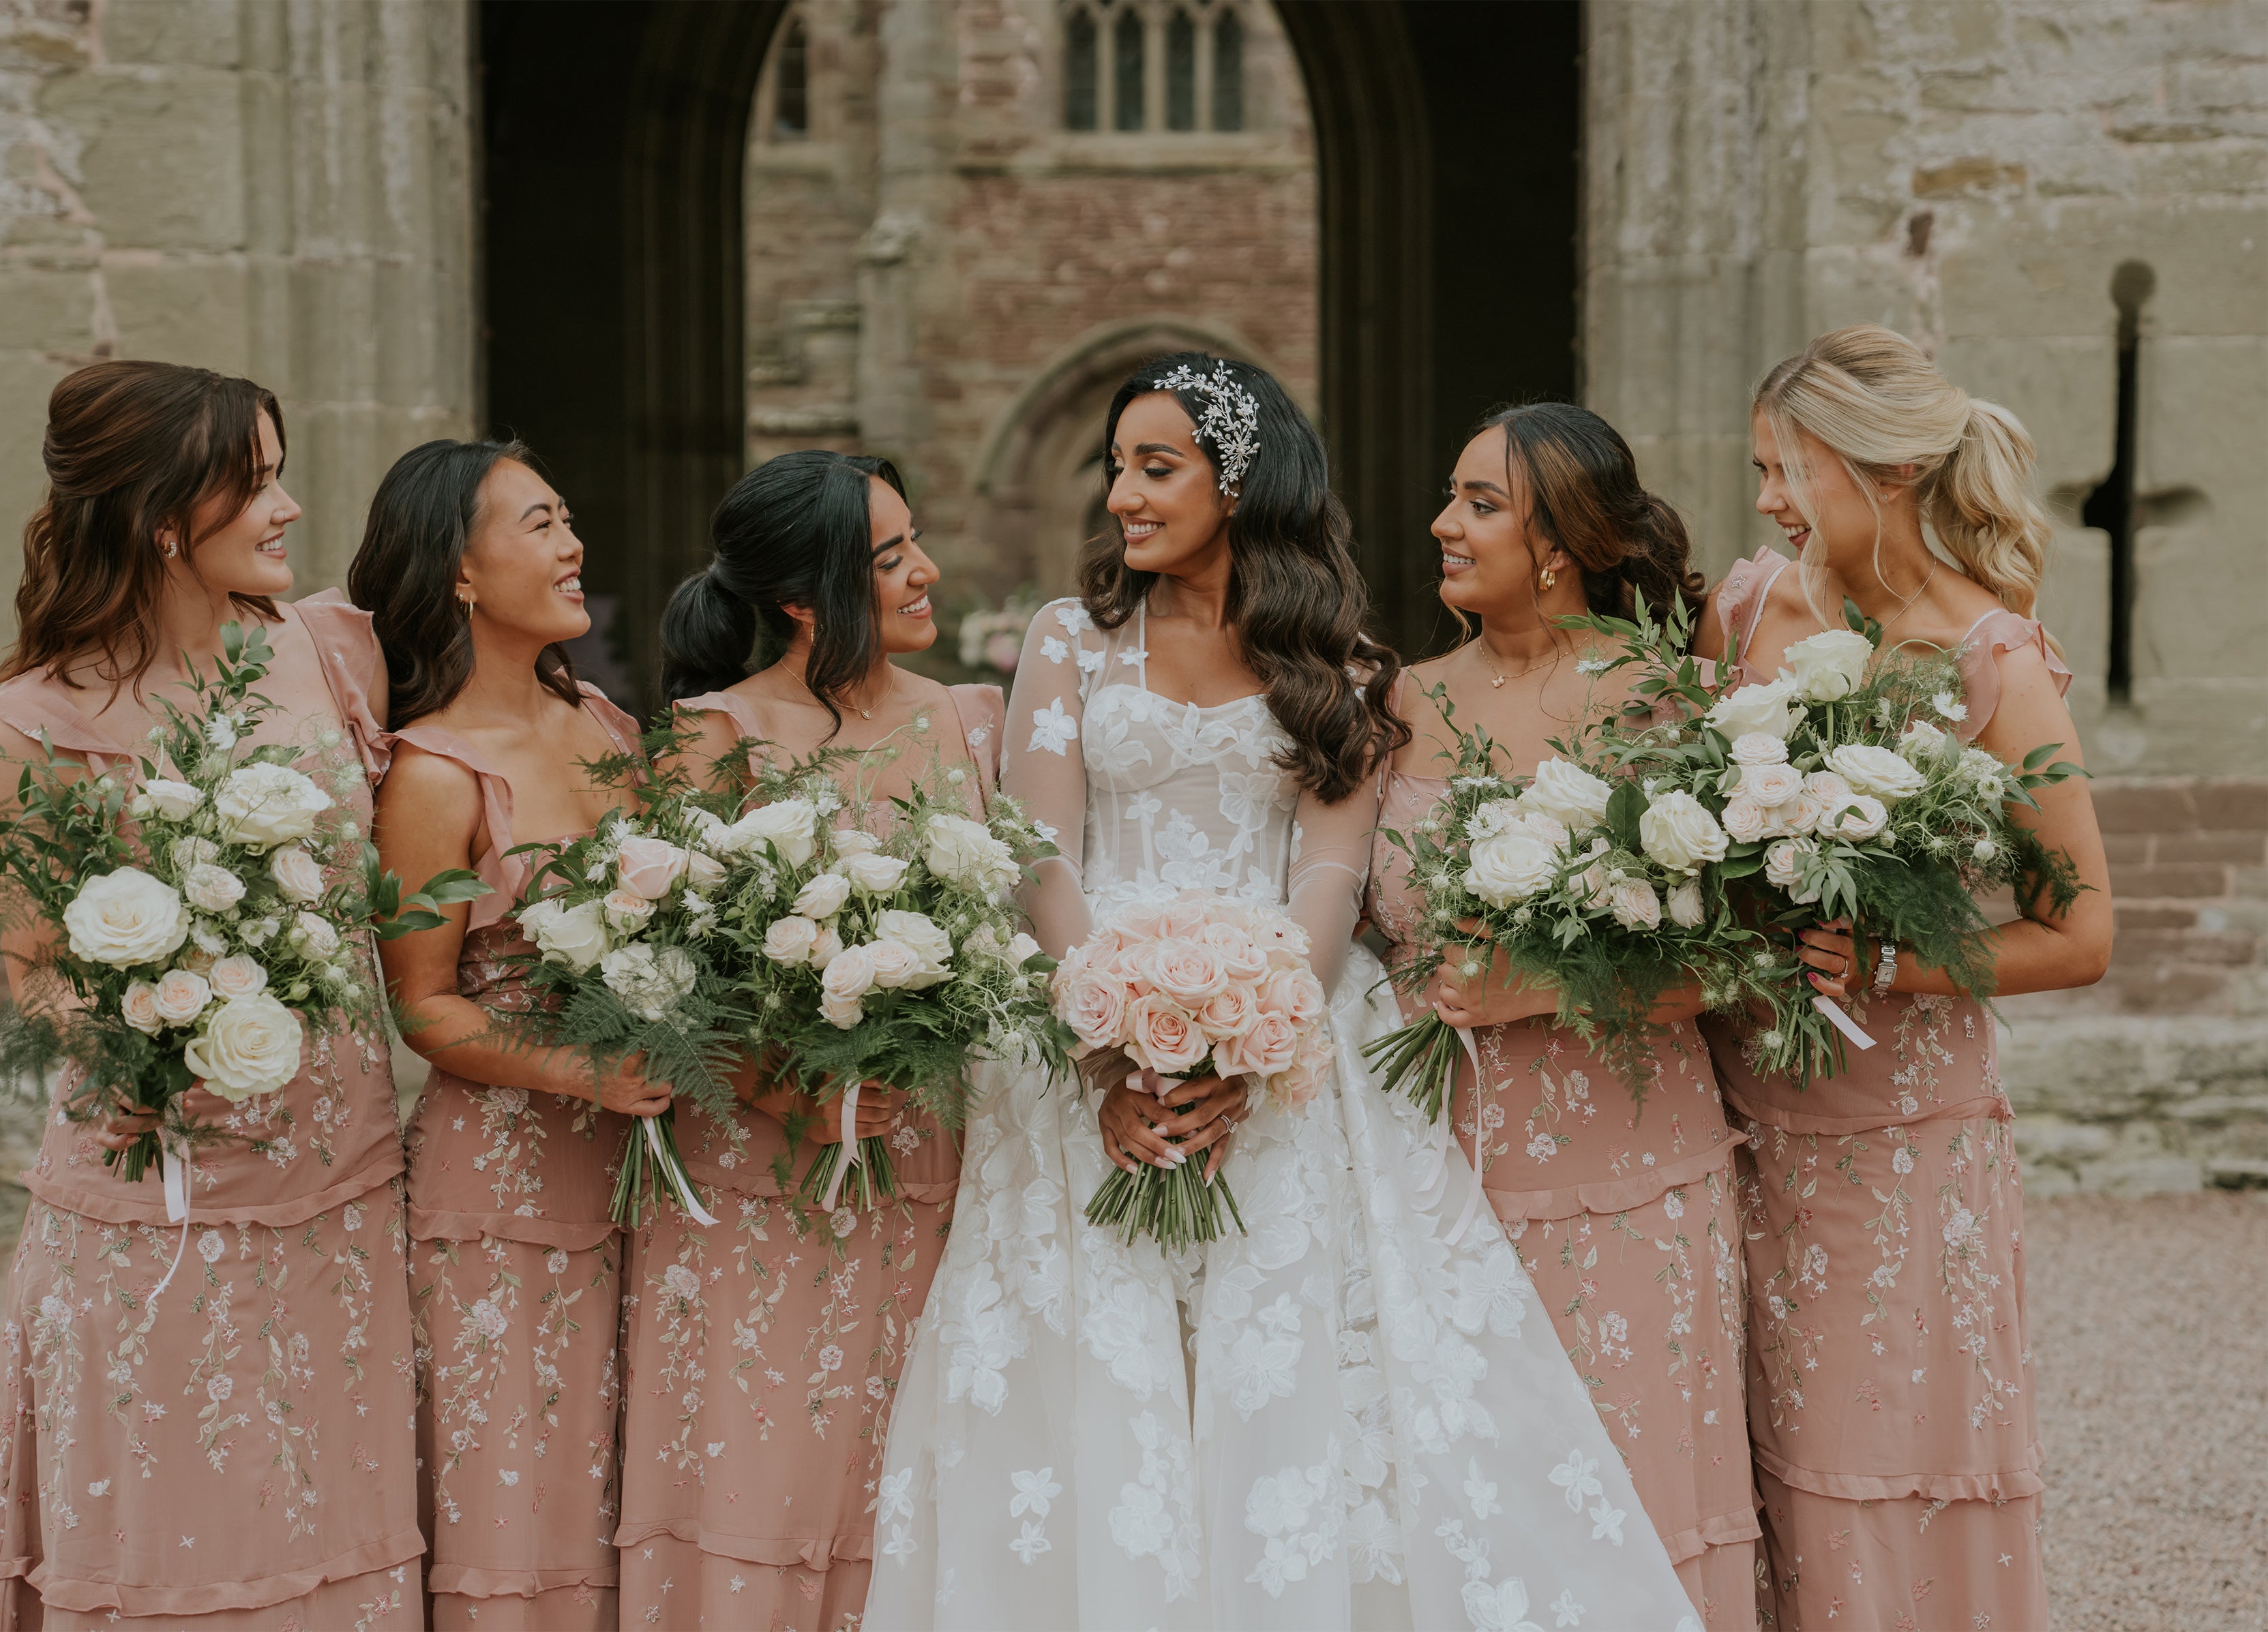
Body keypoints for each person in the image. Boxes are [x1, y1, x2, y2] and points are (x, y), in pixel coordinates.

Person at [867, 354, 1703, 1630]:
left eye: (1159, 468)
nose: (1125, 496)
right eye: (1117, 467)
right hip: (1081, 1033)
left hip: (1293, 1051)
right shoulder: (1068, 641)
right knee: (1103, 1391)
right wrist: (1114, 1049)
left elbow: (1327, 871)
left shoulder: (1347, 665)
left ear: (1240, 484)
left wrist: (1249, 1039)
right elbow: (1041, 853)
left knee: (1302, 1384)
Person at [0, 361, 423, 1629]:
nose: (287, 507)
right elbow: (35, 974)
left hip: (337, 1177)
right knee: (175, 1526)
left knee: (331, 1506)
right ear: (169, 516)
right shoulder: (28, 725)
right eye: (258, 481)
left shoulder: (332, 651)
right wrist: (158, 1014)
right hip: (155, 1190)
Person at [1692, 326, 2113, 1631]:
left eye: (1785, 468)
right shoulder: (1749, 610)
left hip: (1904, 1134)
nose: (1765, 500)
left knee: (1866, 1459)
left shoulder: (1996, 663)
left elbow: (2081, 931)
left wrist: (1897, 959)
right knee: (1746, 1459)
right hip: (1736, 1104)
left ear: (1885, 470)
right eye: (1760, 468)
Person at [1365, 403, 1761, 1629]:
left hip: (1630, 1170)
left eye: (1480, 502)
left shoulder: (1669, 703)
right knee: (1467, 1504)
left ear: (1561, 542)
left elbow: (1746, 962)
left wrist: (1535, 984)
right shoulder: (1397, 702)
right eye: (1452, 493)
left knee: (1633, 1498)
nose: (1443, 522)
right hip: (1435, 1166)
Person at [614, 451, 999, 1629]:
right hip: (764, 1174)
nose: (925, 571)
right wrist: (785, 1087)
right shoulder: (712, 737)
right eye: (889, 559)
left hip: (927, 1159)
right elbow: (655, 976)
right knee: (765, 1473)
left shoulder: (964, 718)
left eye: (914, 541)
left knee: (899, 1479)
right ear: (801, 598)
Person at [351, 439, 668, 1631]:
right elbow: (422, 1005)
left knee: (626, 1481)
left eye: (567, 517)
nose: (573, 544)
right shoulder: (432, 775)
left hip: (644, 1173)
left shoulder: (610, 728)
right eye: (539, 523)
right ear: (462, 573)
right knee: (519, 1501)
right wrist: (584, 1066)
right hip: (505, 1188)